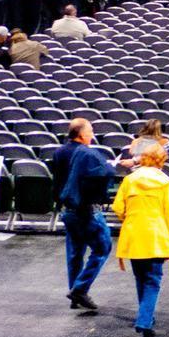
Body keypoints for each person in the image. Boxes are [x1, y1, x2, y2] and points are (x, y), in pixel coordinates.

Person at [111, 146, 169, 337]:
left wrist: (129, 217)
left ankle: (147, 316)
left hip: (133, 235)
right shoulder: (165, 182)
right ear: (160, 161)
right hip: (156, 237)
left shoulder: (129, 180)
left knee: (141, 277)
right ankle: (144, 320)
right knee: (152, 281)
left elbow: (118, 207)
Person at [49, 118, 117, 314]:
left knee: (75, 253)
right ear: (81, 134)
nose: (93, 135)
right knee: (102, 248)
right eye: (91, 132)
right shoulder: (86, 153)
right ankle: (79, 289)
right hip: (85, 208)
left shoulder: (59, 152)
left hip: (68, 208)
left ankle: (75, 295)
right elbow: (99, 174)